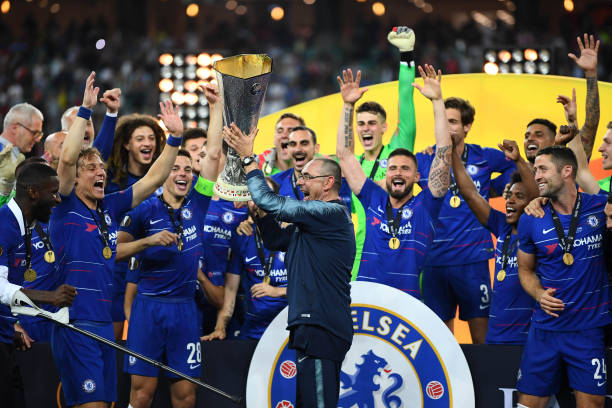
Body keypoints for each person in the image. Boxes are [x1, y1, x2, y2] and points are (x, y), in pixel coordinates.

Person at [49, 71, 183, 408]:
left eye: (102, 167)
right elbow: (66, 158)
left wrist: (175, 140)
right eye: (91, 168)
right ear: (75, 177)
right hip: (75, 322)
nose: (101, 172)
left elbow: (152, 180)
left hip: (105, 321)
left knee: (106, 405)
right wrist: (84, 109)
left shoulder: (108, 206)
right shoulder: (64, 204)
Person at [225, 121, 355, 407]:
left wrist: (249, 158)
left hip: (323, 326)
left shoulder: (331, 213)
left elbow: (270, 198)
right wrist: (259, 214)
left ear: (328, 182)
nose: (299, 182)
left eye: (307, 177)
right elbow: (274, 240)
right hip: (311, 326)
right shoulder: (311, 226)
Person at [336, 65, 451, 297]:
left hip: (407, 302)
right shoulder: (372, 197)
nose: (398, 173)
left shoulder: (425, 206)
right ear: (385, 175)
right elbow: (345, 155)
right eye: (393, 168)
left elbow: (444, 154)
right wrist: (348, 106)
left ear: (418, 177)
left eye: (405, 169)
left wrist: (438, 101)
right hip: (367, 292)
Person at [416, 94, 516, 343]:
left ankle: (486, 382)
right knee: (438, 340)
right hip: (434, 261)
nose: (446, 128)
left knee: (482, 339)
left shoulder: (484, 156)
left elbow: (514, 167)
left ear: (467, 126)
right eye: (443, 122)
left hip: (473, 262)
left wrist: (494, 188)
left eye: (452, 122)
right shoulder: (424, 159)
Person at [516, 146, 610, 408]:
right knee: (528, 405)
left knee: (591, 404)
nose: (536, 176)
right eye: (535, 170)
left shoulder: (600, 208)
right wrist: (538, 294)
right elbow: (525, 269)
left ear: (567, 171)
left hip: (587, 329)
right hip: (545, 329)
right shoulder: (531, 217)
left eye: (543, 169)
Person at [0, 161, 76, 407]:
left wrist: (12, 324)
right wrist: (49, 297)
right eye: (52, 192)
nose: (58, 199)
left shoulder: (24, 225)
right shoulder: (4, 225)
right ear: (33, 192)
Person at [451, 139, 538, 345]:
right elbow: (470, 193)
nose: (510, 200)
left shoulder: (538, 231)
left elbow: (536, 194)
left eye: (519, 196)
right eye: (509, 195)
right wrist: (452, 153)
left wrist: (518, 161)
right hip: (495, 337)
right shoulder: (502, 226)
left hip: (526, 340)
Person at [349, 26, 418, 278]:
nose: (365, 129)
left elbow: (406, 101)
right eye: (361, 124)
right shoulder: (352, 165)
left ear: (384, 127)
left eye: (371, 123)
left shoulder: (397, 151)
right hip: (362, 251)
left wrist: (406, 55)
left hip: (400, 250)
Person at [105, 111, 167, 340]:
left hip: (153, 272)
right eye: (140, 138)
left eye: (151, 138)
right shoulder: (110, 185)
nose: (147, 143)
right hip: (116, 272)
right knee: (114, 345)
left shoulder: (168, 182)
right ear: (126, 145)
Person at [203, 178, 287, 341]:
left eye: (265, 194)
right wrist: (220, 327)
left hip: (288, 332)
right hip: (254, 332)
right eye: (254, 195)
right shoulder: (242, 237)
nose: (258, 201)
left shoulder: (293, 235)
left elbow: (312, 289)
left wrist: (278, 291)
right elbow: (230, 292)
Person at [0, 103, 44, 207]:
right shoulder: (3, 156)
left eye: (40, 134)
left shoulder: (15, 158)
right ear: (14, 128)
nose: (38, 139)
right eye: (34, 133)